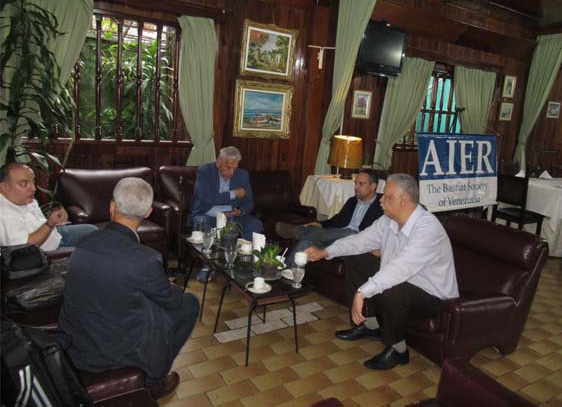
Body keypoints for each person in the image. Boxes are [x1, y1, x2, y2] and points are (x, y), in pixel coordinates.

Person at [59, 177, 199, 399]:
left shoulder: (83, 243)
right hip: (113, 352)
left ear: (112, 206)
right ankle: (153, 379)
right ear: (148, 213)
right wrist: (165, 284)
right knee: (189, 303)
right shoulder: (146, 258)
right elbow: (172, 302)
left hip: (75, 341)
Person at [305, 173, 458, 370]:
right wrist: (326, 251)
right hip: (404, 281)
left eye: (387, 196)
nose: (381, 200)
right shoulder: (388, 220)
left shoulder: (427, 229)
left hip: (432, 296)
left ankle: (398, 350)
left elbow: (401, 268)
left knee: (391, 288)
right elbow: (360, 240)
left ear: (403, 200)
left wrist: (362, 292)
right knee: (357, 258)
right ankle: (371, 325)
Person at [276, 170, 383, 267]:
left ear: (373, 186)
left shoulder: (381, 205)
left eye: (361, 184)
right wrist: (320, 224)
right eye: (355, 183)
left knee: (351, 232)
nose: (356, 187)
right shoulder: (352, 201)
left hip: (355, 243)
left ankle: (299, 231)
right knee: (306, 242)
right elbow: (337, 220)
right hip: (335, 239)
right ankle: (284, 271)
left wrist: (378, 246)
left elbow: (382, 230)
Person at [190, 146, 263, 280]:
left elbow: (249, 201)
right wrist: (233, 194)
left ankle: (241, 263)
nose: (232, 172)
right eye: (228, 167)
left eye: (235, 168)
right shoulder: (204, 171)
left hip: (232, 216)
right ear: (219, 162)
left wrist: (241, 211)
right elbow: (206, 199)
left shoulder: (243, 175)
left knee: (255, 224)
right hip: (207, 213)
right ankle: (208, 265)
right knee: (202, 223)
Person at [0, 162, 97, 250]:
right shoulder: (5, 215)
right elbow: (25, 247)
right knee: (90, 251)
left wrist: (55, 220)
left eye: (33, 182)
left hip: (54, 235)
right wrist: (50, 224)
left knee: (92, 231)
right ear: (5, 187)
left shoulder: (24, 198)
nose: (33, 188)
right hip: (44, 254)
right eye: (24, 183)